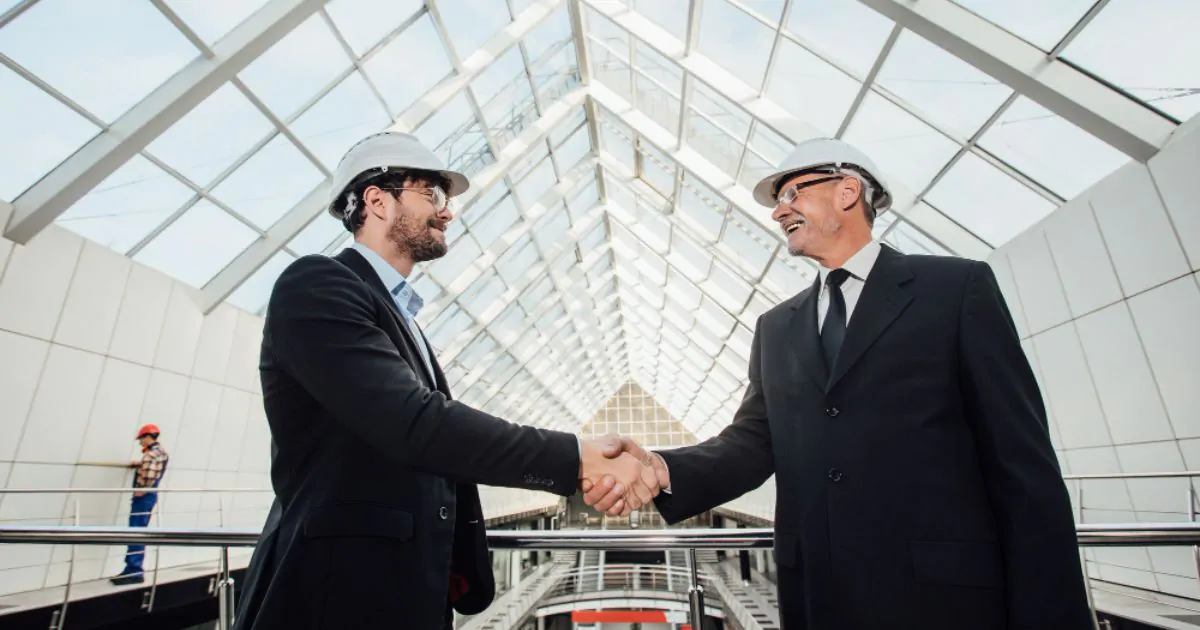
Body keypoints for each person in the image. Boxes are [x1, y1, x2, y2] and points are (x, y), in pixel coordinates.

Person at [584, 138, 1093, 630]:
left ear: (847, 191)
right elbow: (752, 445)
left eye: (791, 193)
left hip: (943, 600)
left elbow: (1021, 464)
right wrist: (662, 467)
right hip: (820, 600)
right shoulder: (777, 327)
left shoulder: (956, 290)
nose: (778, 212)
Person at [234, 132, 659, 630]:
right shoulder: (316, 285)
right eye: (433, 195)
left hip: (402, 593)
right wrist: (576, 457)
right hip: (336, 595)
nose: (448, 212)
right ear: (377, 201)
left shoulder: (396, 314)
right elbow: (414, 425)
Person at [109, 423, 169, 585]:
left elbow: (149, 477)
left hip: (143, 497)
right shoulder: (161, 453)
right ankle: (133, 569)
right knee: (139, 531)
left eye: (141, 439)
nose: (140, 443)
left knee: (135, 532)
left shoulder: (150, 455)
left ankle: (133, 570)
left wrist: (139, 491)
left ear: (148, 437)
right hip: (151, 497)